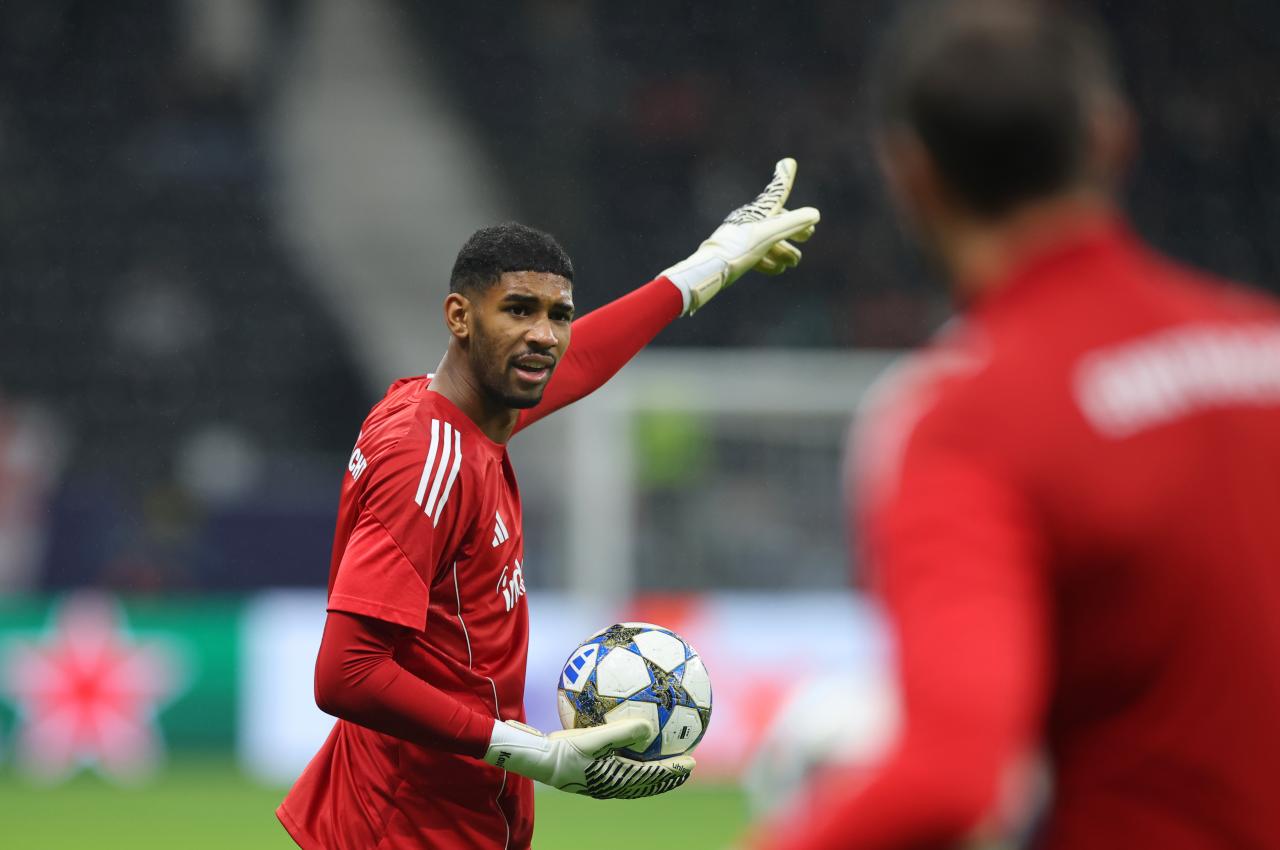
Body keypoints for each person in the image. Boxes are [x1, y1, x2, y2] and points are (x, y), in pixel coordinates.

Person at [751, 2, 1280, 849]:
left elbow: (952, 777)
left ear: (910, 175)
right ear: (1110, 139)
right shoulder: (1263, 345)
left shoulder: (966, 420)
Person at [276, 160, 819, 850]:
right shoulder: (427, 460)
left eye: (558, 315)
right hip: (407, 823)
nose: (545, 334)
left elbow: (582, 361)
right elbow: (345, 673)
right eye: (518, 310)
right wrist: (534, 753)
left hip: (449, 810)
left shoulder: (464, 415)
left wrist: (707, 266)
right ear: (459, 317)